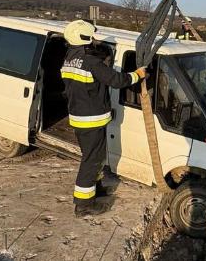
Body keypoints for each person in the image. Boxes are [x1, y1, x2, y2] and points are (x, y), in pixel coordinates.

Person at [61, 20, 147, 216]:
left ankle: (95, 189)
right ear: (84, 38)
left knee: (94, 157)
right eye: (91, 37)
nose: (94, 41)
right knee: (91, 161)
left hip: (80, 117)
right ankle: (84, 204)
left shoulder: (69, 59)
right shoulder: (91, 62)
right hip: (91, 119)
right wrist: (137, 74)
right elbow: (116, 80)